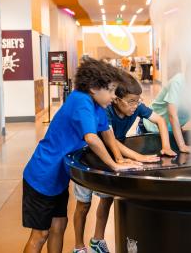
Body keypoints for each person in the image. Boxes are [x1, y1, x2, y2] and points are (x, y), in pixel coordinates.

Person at [22, 58, 140, 253]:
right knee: (40, 234)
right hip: (41, 176)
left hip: (58, 179)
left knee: (59, 226)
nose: (113, 96)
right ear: (94, 87)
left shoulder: (97, 106)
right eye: (110, 90)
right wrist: (114, 165)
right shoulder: (81, 101)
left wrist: (122, 159)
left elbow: (107, 134)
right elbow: (92, 138)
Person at [73, 71, 171, 253]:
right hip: (90, 156)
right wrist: (138, 157)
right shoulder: (106, 110)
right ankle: (79, 246)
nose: (136, 106)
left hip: (113, 158)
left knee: (107, 198)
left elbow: (160, 121)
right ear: (116, 99)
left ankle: (97, 240)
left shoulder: (136, 107)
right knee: (83, 204)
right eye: (131, 101)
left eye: (138, 101)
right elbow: (110, 140)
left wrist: (166, 146)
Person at [140, 72, 191, 153]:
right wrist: (182, 146)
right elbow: (172, 115)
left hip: (171, 130)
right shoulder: (178, 82)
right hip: (152, 127)